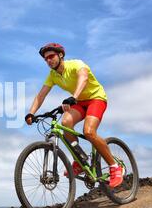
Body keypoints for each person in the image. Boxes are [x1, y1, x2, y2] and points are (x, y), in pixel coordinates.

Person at [25, 42, 123, 188]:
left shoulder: (76, 64)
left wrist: (74, 97)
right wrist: (31, 113)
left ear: (60, 55)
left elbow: (83, 79)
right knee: (65, 123)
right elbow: (41, 95)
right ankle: (80, 158)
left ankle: (115, 167)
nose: (48, 60)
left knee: (89, 132)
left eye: (51, 56)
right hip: (80, 102)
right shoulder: (52, 75)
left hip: (96, 98)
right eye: (45, 59)